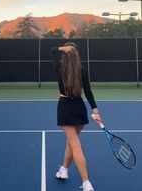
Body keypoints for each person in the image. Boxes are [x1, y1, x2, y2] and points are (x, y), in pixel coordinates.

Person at [51, 42, 101, 191]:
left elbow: (51, 50)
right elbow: (88, 92)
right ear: (77, 56)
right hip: (79, 108)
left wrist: (61, 48)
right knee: (71, 142)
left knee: (75, 144)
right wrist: (96, 111)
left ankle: (86, 183)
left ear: (64, 55)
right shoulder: (83, 71)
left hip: (65, 107)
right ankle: (64, 170)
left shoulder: (59, 68)